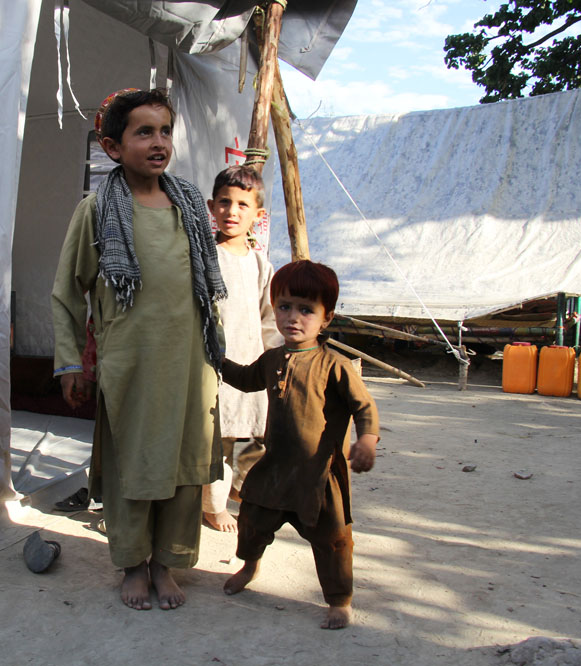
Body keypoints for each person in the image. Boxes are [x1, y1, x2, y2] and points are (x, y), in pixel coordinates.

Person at [50, 88, 225, 611]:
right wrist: (69, 362)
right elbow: (67, 291)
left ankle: (166, 563)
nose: (158, 142)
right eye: (143, 132)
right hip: (131, 362)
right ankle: (132, 563)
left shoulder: (190, 207)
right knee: (136, 461)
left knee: (184, 463)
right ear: (112, 146)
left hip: (189, 363)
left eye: (165, 131)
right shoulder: (97, 210)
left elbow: (205, 289)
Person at [220, 260, 380, 629]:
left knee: (333, 541)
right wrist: (216, 359)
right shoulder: (273, 359)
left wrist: (367, 441)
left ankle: (339, 599)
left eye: (307, 309)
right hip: (275, 468)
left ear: (327, 318)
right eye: (285, 306)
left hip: (318, 476)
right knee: (252, 521)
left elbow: (364, 407)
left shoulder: (334, 365)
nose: (293, 317)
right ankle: (250, 567)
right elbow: (245, 379)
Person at [202, 165, 281, 533]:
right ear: (211, 207)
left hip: (252, 365)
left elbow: (270, 318)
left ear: (258, 215)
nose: (232, 212)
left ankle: (239, 487)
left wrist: (276, 359)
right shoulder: (205, 258)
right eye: (224, 202)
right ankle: (213, 507)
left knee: (257, 433)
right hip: (215, 367)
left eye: (242, 205)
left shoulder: (260, 264)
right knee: (217, 441)